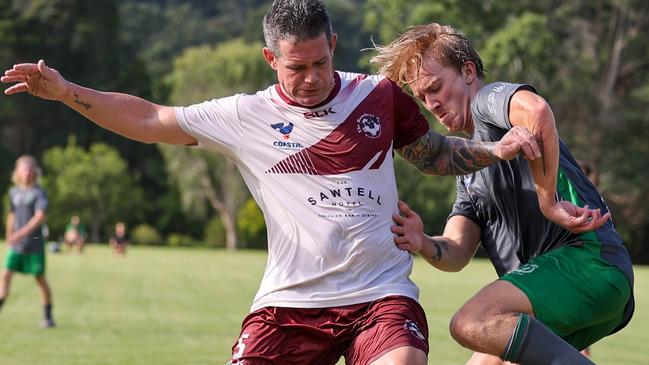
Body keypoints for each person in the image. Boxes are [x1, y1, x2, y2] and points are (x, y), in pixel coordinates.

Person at [2, 1, 541, 363]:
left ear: (333, 42)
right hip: (289, 304)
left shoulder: (379, 95)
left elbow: (435, 155)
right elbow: (148, 119)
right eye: (295, 68)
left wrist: (497, 148)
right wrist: (66, 90)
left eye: (321, 62)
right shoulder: (244, 115)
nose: (310, 79)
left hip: (382, 296)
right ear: (270, 59)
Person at [372, 23, 634, 365]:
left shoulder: (486, 101)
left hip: (589, 262)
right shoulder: (468, 170)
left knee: (470, 321)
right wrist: (422, 241)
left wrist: (548, 201)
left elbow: (536, 111)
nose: (432, 104)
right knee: (485, 349)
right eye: (423, 97)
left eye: (435, 87)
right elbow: (457, 251)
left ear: (468, 71)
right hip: (563, 287)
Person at [0, 155, 56, 328]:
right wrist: (10, 233)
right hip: (16, 245)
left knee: (40, 279)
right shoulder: (13, 192)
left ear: (35, 172)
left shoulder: (39, 193)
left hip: (34, 244)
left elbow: (39, 217)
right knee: (5, 275)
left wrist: (21, 233)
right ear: (17, 172)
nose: (27, 172)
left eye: (30, 169)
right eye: (24, 169)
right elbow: (12, 214)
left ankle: (48, 317)